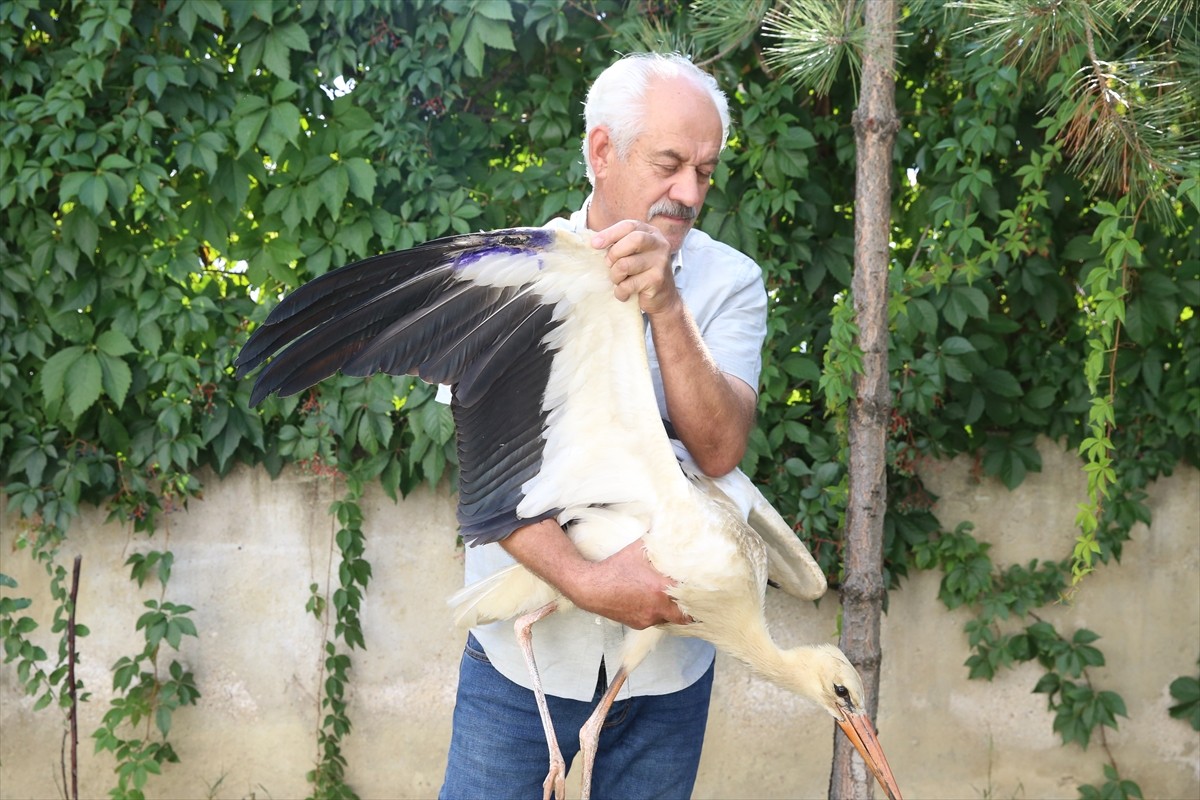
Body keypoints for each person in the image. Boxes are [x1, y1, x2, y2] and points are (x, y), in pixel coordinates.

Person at [439, 52, 768, 798]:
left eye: (706, 172)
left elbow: (718, 449)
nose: (689, 193)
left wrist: (667, 306)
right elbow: (490, 479)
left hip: (664, 676)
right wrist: (590, 583)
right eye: (669, 164)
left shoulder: (730, 284)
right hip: (520, 672)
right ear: (600, 151)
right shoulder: (511, 273)